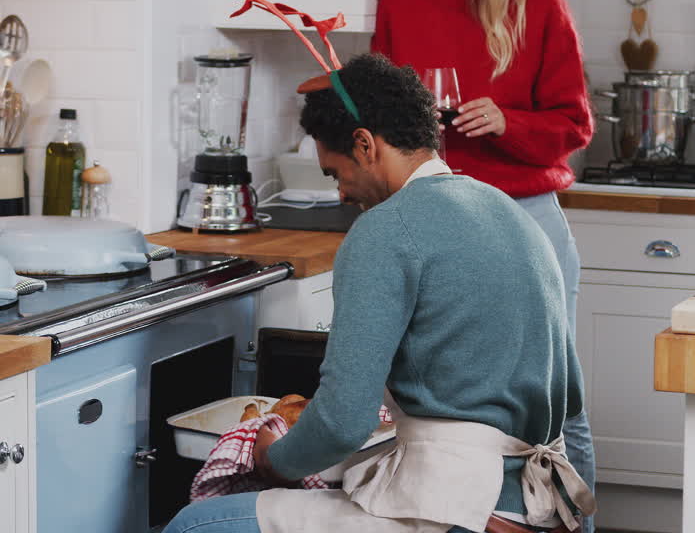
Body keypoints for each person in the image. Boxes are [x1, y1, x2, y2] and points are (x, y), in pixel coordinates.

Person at [164, 53, 594, 533]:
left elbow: (343, 423)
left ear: (365, 145)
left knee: (195, 525)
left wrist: (273, 462)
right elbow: (572, 404)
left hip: (458, 506)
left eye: (334, 174)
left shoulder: (383, 231)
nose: (342, 195)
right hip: (542, 506)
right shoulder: (509, 212)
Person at [371, 0, 597, 530]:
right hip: (435, 219)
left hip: (523, 220)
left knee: (558, 403)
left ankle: (580, 525)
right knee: (434, 405)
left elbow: (574, 127)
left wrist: (508, 121)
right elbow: (378, 116)